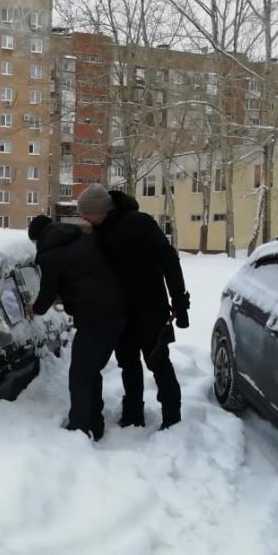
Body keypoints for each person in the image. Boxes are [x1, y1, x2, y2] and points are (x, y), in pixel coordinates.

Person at [76, 184, 190, 431]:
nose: (83, 218)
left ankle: (172, 419)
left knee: (159, 363)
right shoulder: (99, 231)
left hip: (150, 308)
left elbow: (169, 260)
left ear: (100, 210)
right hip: (120, 312)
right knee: (128, 364)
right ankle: (132, 413)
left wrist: (179, 301)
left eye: (86, 213)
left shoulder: (140, 223)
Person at [26, 214, 126, 441]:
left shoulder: (51, 254)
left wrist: (35, 309)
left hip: (95, 317)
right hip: (117, 309)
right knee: (90, 370)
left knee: (80, 375)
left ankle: (79, 427)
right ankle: (95, 423)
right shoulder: (82, 239)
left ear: (38, 238)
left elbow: (48, 292)